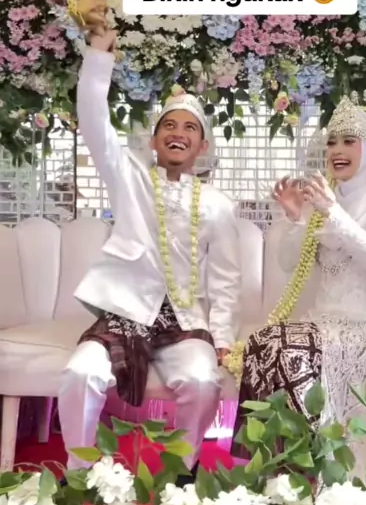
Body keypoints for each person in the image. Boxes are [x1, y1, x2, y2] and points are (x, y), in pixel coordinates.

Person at [58, 27, 241, 478]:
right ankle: (78, 475)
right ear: (155, 141)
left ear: (202, 146)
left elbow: (225, 279)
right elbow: (95, 123)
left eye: (190, 128)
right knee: (81, 372)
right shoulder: (130, 178)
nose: (178, 134)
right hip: (125, 313)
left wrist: (222, 339)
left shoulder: (219, 205)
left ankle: (182, 471)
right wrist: (98, 55)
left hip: (183, 320)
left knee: (202, 382)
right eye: (169, 126)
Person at [235, 95, 366, 505]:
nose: (337, 150)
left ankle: (316, 464)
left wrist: (334, 214)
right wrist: (295, 217)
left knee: (288, 349)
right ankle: (271, 472)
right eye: (332, 142)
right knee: (263, 344)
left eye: (350, 141)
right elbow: (287, 262)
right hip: (323, 323)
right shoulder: (327, 197)